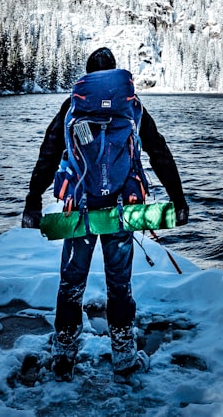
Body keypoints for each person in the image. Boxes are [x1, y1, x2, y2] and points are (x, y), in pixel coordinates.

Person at [22, 46, 189, 380]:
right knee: (119, 284)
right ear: (115, 74)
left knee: (71, 282)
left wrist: (33, 200)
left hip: (79, 209)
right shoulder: (132, 108)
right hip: (121, 210)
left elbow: (49, 153)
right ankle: (124, 355)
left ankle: (64, 355)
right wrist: (177, 197)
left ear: (88, 75)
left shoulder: (73, 107)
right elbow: (159, 152)